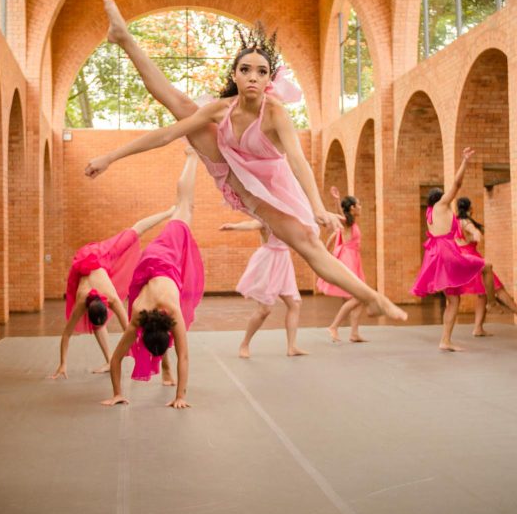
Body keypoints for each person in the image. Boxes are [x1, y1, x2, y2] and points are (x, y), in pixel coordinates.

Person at [88, 0, 407, 323]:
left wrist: (316, 206)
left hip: (268, 191)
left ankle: (372, 299)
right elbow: (166, 134)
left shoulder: (276, 114)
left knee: (309, 244)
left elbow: (298, 161)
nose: (253, 76)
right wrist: (111, 156)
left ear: (270, 80)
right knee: (179, 103)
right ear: (236, 75)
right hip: (227, 164)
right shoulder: (221, 109)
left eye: (261, 71)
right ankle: (124, 38)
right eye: (245, 70)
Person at [103, 151, 201, 409]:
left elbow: (184, 357)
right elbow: (183, 356)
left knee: (185, 205)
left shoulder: (167, 314)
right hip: (151, 262)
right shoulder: (139, 316)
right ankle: (191, 158)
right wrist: (180, 397)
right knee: (183, 206)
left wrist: (181, 397)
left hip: (165, 255)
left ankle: (192, 156)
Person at [50, 206, 173, 379]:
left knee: (135, 232)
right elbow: (67, 334)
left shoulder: (112, 298)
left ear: (106, 304)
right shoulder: (81, 299)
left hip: (102, 256)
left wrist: (140, 353)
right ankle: (109, 359)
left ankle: (169, 212)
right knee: (135, 229)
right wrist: (62, 364)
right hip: (86, 264)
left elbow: (128, 327)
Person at [410, 148, 486, 352]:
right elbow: (457, 184)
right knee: (473, 275)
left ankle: (446, 339)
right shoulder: (441, 205)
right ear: (440, 198)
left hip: (435, 255)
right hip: (445, 253)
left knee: (453, 299)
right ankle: (445, 340)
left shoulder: (429, 213)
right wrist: (464, 162)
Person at [220, 219, 307, 358]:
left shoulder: (289, 216)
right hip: (268, 263)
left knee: (295, 304)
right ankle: (245, 343)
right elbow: (253, 224)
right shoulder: (267, 217)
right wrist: (234, 226)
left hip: (284, 262)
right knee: (265, 310)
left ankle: (292, 347)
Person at [454, 197, 517, 335]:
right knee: (498, 287)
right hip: (472, 258)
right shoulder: (466, 221)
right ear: (470, 208)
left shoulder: (455, 222)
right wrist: (476, 235)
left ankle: (478, 328)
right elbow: (475, 233)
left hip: (462, 257)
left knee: (482, 293)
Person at [316, 194, 368, 343]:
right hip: (348, 260)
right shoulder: (346, 222)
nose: (361, 207)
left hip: (354, 260)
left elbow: (333, 237)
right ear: (352, 208)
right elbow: (338, 217)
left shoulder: (351, 223)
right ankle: (334, 326)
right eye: (359, 204)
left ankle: (354, 333)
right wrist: (337, 202)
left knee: (359, 299)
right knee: (358, 297)